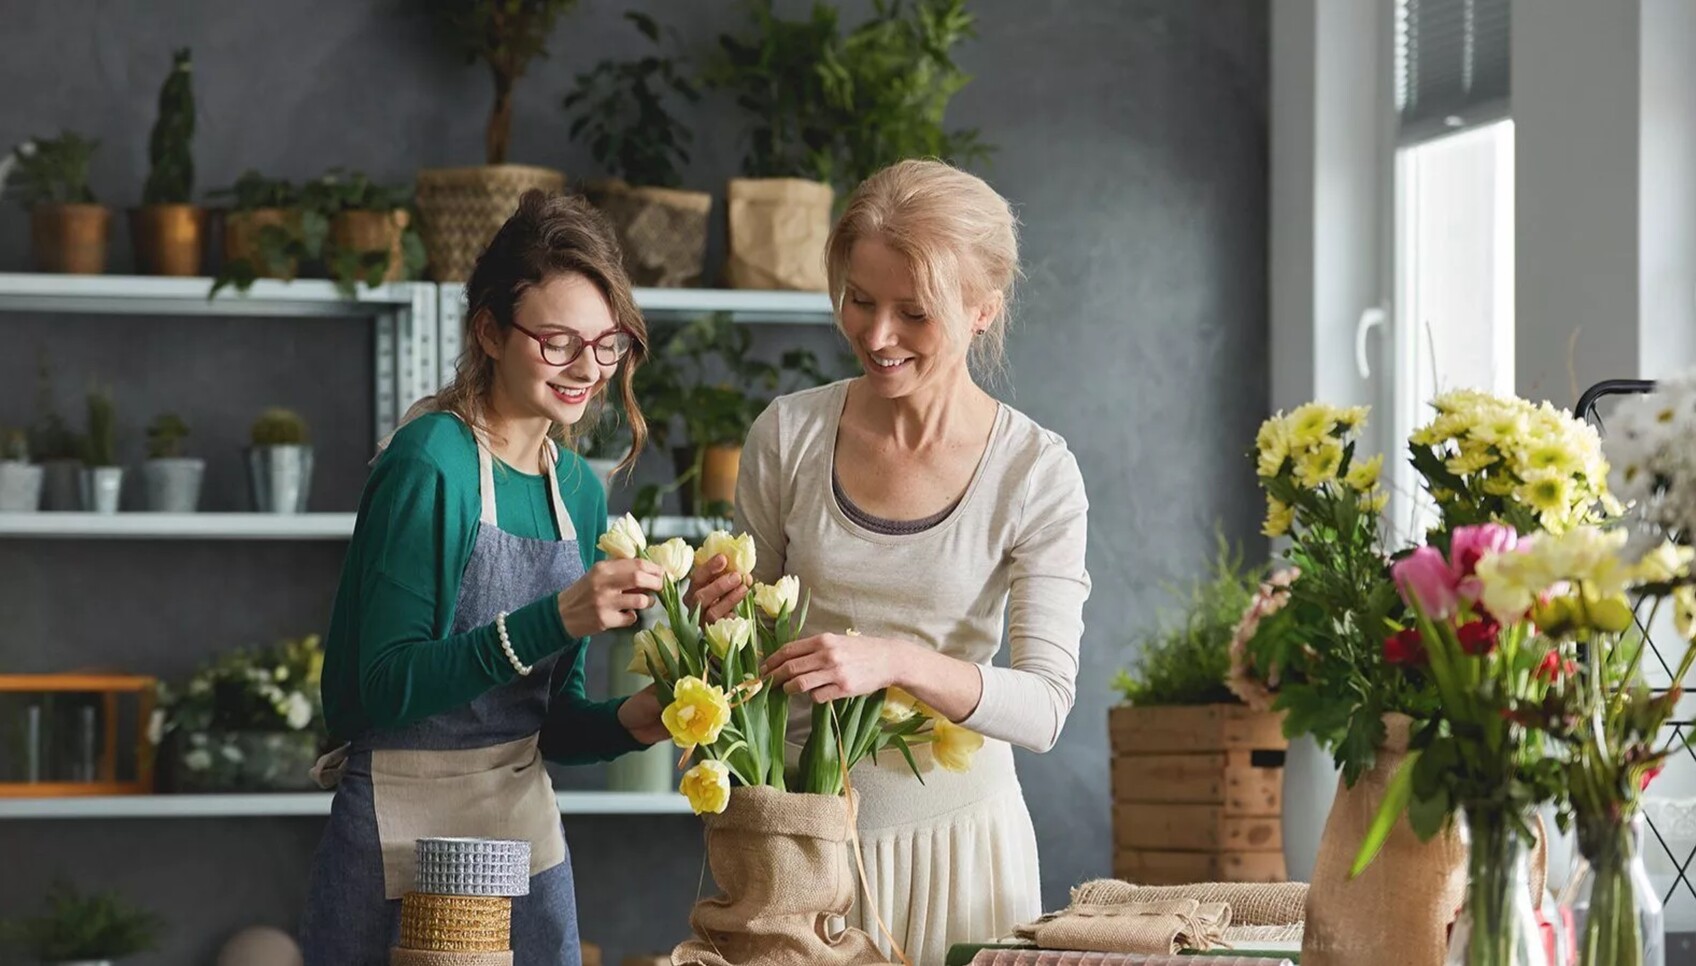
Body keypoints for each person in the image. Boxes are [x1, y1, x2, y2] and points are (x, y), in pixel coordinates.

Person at [687, 159, 1092, 965]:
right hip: (798, 847)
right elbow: (745, 662)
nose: (877, 336)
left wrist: (895, 662)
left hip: (962, 851)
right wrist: (714, 614)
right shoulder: (790, 435)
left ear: (983, 309)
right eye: (859, 301)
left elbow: (1043, 707)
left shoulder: (1035, 472)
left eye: (914, 313)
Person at [299, 191, 668, 966]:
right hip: (399, 831)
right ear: (491, 331)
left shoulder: (577, 490)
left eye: (607, 345)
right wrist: (556, 618)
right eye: (558, 341)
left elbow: (549, 722)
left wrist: (643, 718)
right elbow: (385, 687)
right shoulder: (428, 463)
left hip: (521, 828)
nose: (587, 370)